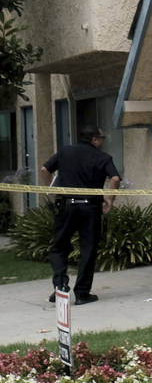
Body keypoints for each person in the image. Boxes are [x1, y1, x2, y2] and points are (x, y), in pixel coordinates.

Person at [41, 124, 121, 305]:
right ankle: (82, 293)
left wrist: (53, 190)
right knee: (88, 249)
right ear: (93, 139)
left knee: (59, 247)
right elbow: (115, 179)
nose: (102, 142)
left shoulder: (65, 152)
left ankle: (60, 287)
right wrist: (109, 200)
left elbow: (45, 169)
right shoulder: (103, 157)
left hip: (66, 206)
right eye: (101, 138)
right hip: (90, 208)